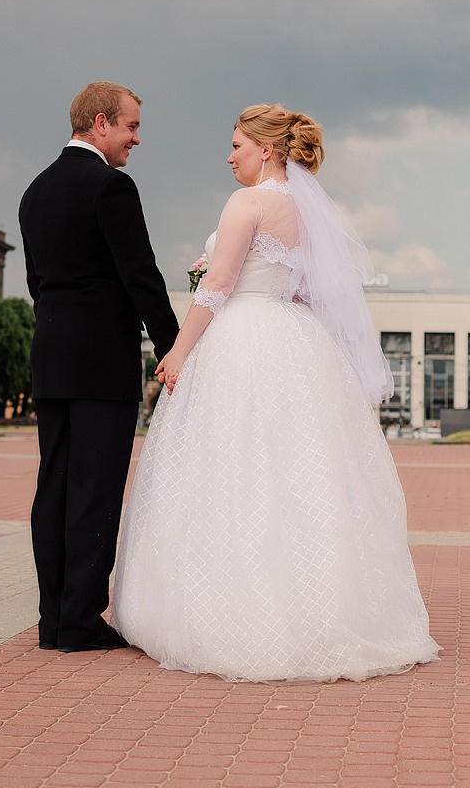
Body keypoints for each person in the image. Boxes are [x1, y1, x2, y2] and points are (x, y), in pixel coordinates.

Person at [110, 104, 438, 682]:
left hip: (241, 338)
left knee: (230, 470)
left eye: (236, 144)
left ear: (266, 149)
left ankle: (231, 612)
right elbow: (309, 293)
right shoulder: (307, 213)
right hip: (295, 343)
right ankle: (319, 611)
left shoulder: (248, 202)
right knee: (298, 475)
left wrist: (179, 351)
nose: (229, 154)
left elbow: (218, 285)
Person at [19, 81, 179, 652]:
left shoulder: (35, 191)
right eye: (132, 128)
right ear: (102, 123)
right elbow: (140, 274)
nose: (137, 140)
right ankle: (82, 621)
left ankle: (53, 620)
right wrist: (173, 347)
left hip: (52, 357)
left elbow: (39, 283)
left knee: (54, 488)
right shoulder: (111, 187)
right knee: (96, 488)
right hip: (101, 363)